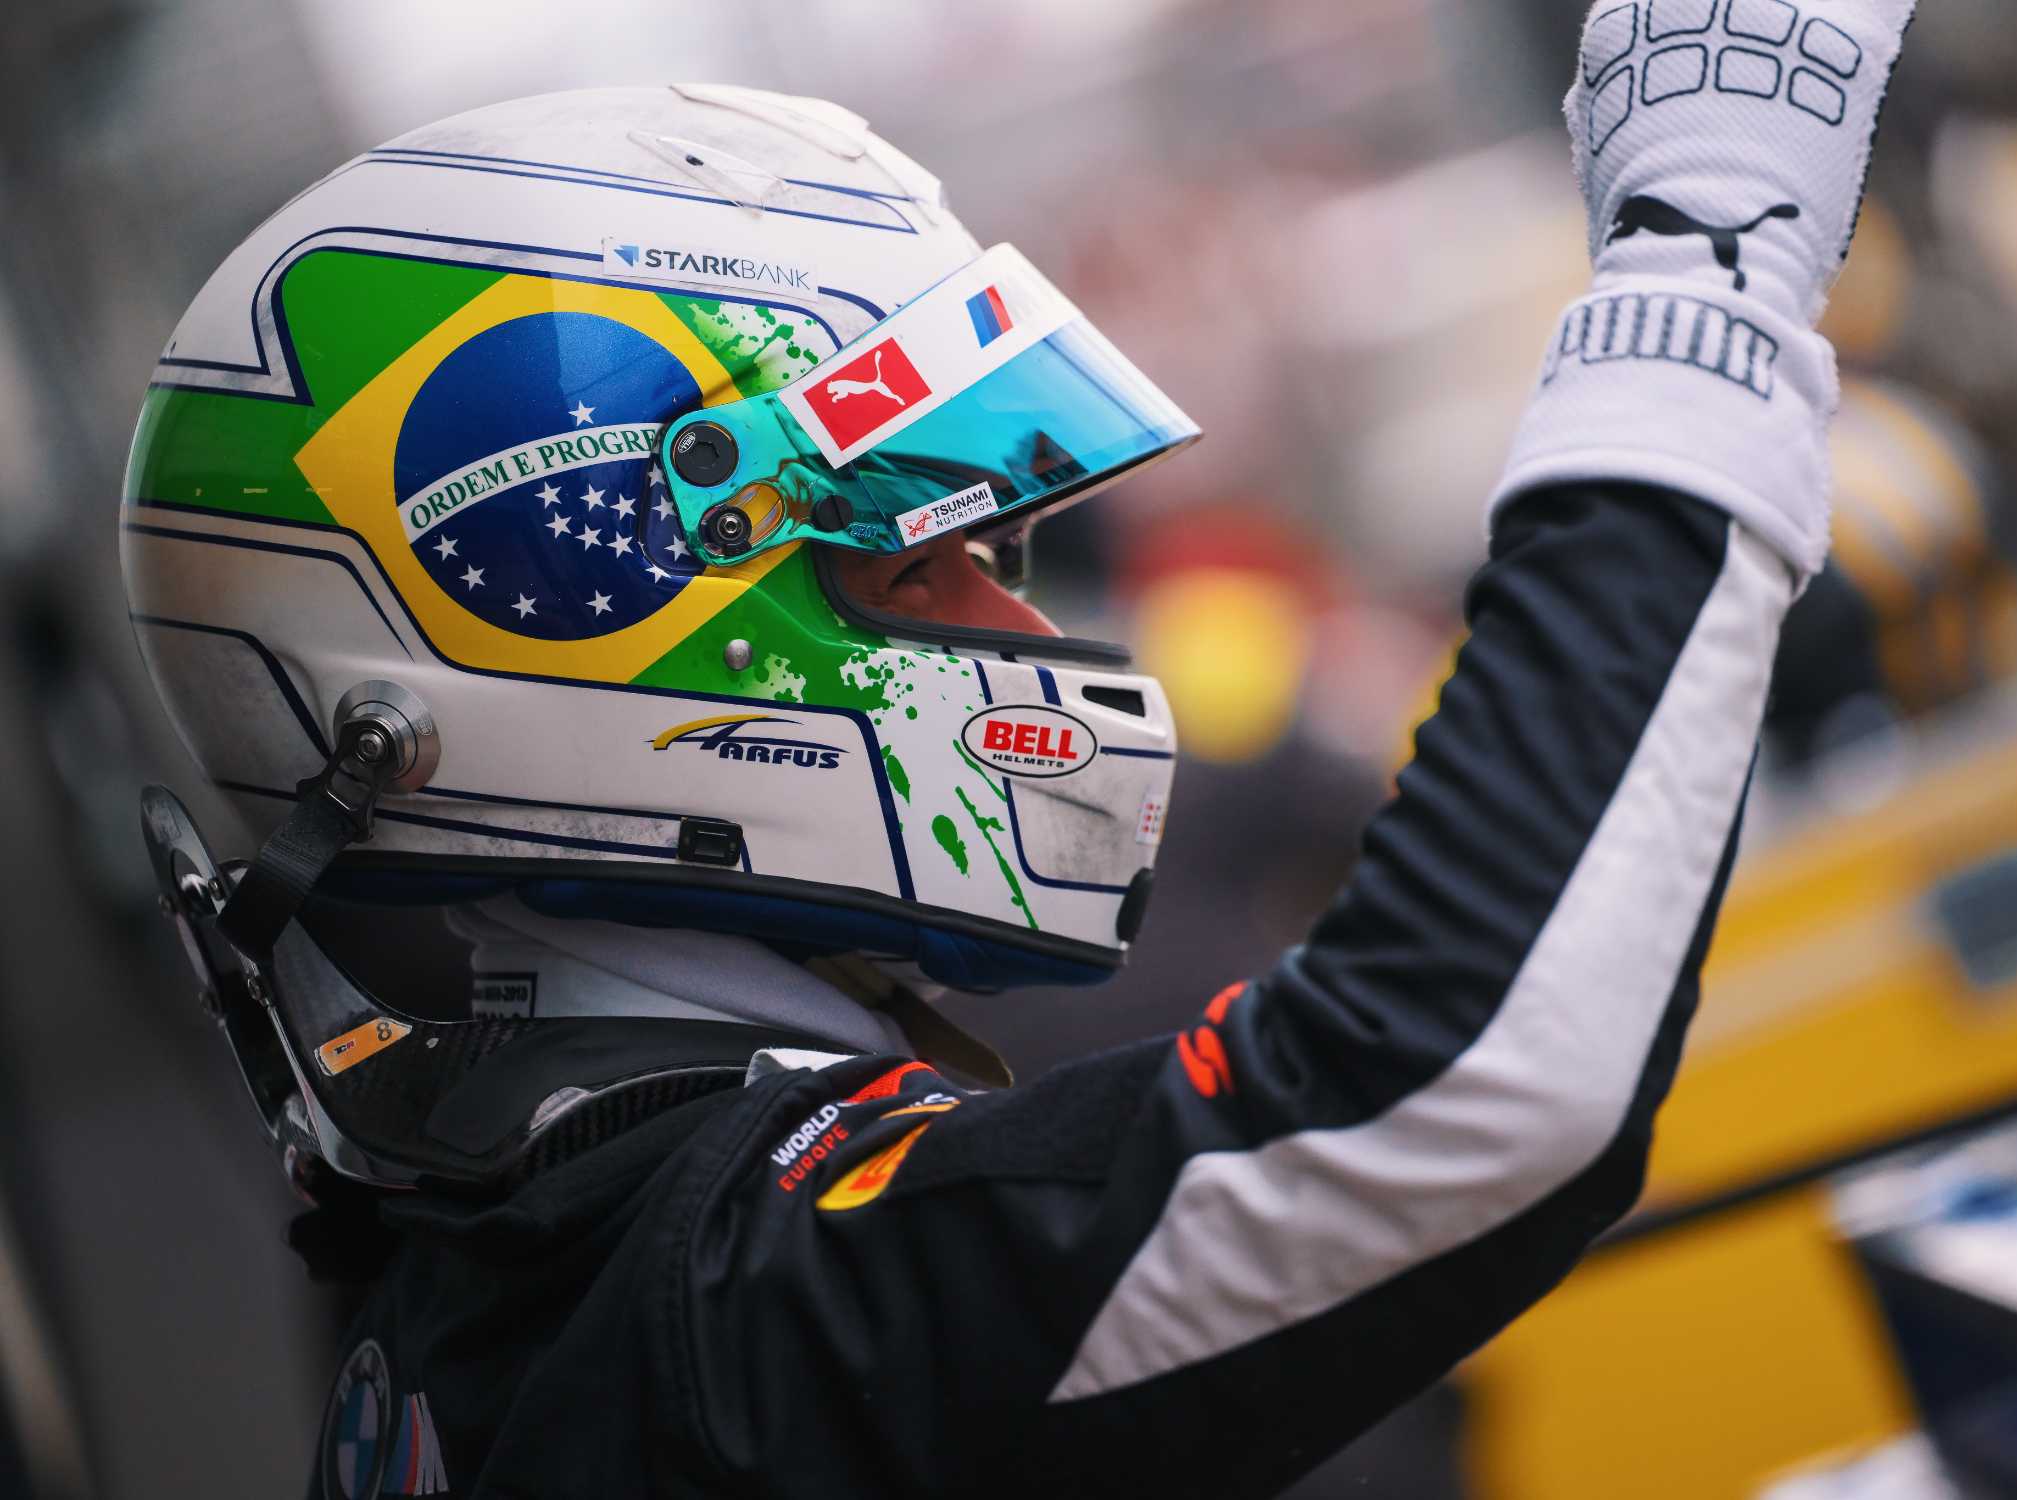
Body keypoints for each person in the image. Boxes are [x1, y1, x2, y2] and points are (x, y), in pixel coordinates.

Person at [122, 3, 1917, 1494]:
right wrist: (1704, 271)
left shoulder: (493, 1233)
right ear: (568, 618)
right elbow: (1453, 1085)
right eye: (922, 567)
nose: (1028, 641)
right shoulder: (701, 1295)